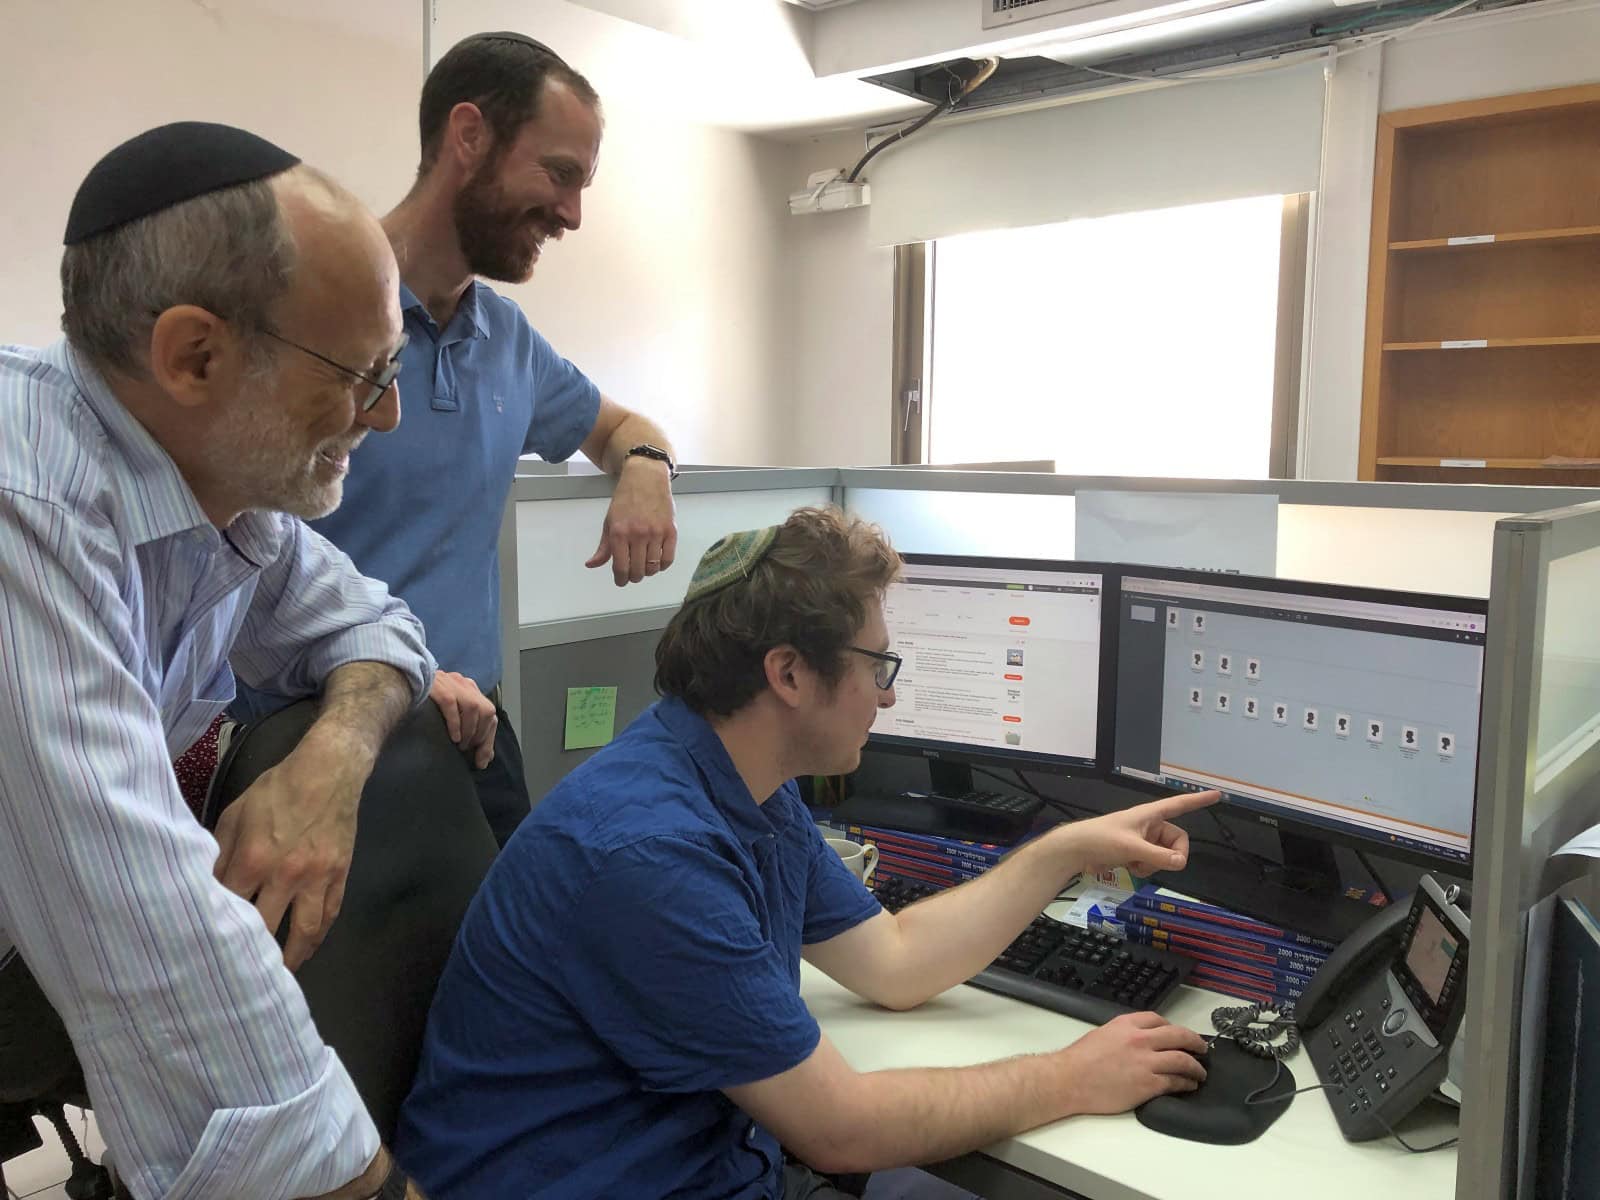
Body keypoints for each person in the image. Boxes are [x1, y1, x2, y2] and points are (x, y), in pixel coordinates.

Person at [395, 507, 1220, 1199]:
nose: (889, 694)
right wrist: (1071, 1077)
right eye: (877, 665)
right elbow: (840, 1128)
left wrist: (1064, 849)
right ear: (788, 674)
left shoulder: (742, 783)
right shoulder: (651, 856)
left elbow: (894, 961)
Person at [0, 122, 437, 1199]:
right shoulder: (27, 493)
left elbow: (378, 626)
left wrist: (332, 760)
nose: (385, 412)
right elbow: (137, 921)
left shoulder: (212, 489)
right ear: (194, 356)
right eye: (364, 372)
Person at [237, 30, 679, 846]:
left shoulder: (506, 339)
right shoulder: (310, 311)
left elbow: (620, 426)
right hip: (320, 731)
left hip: (473, 733)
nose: (573, 215)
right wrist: (390, 667)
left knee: (532, 923)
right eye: (559, 174)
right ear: (469, 136)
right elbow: (233, 543)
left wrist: (646, 467)